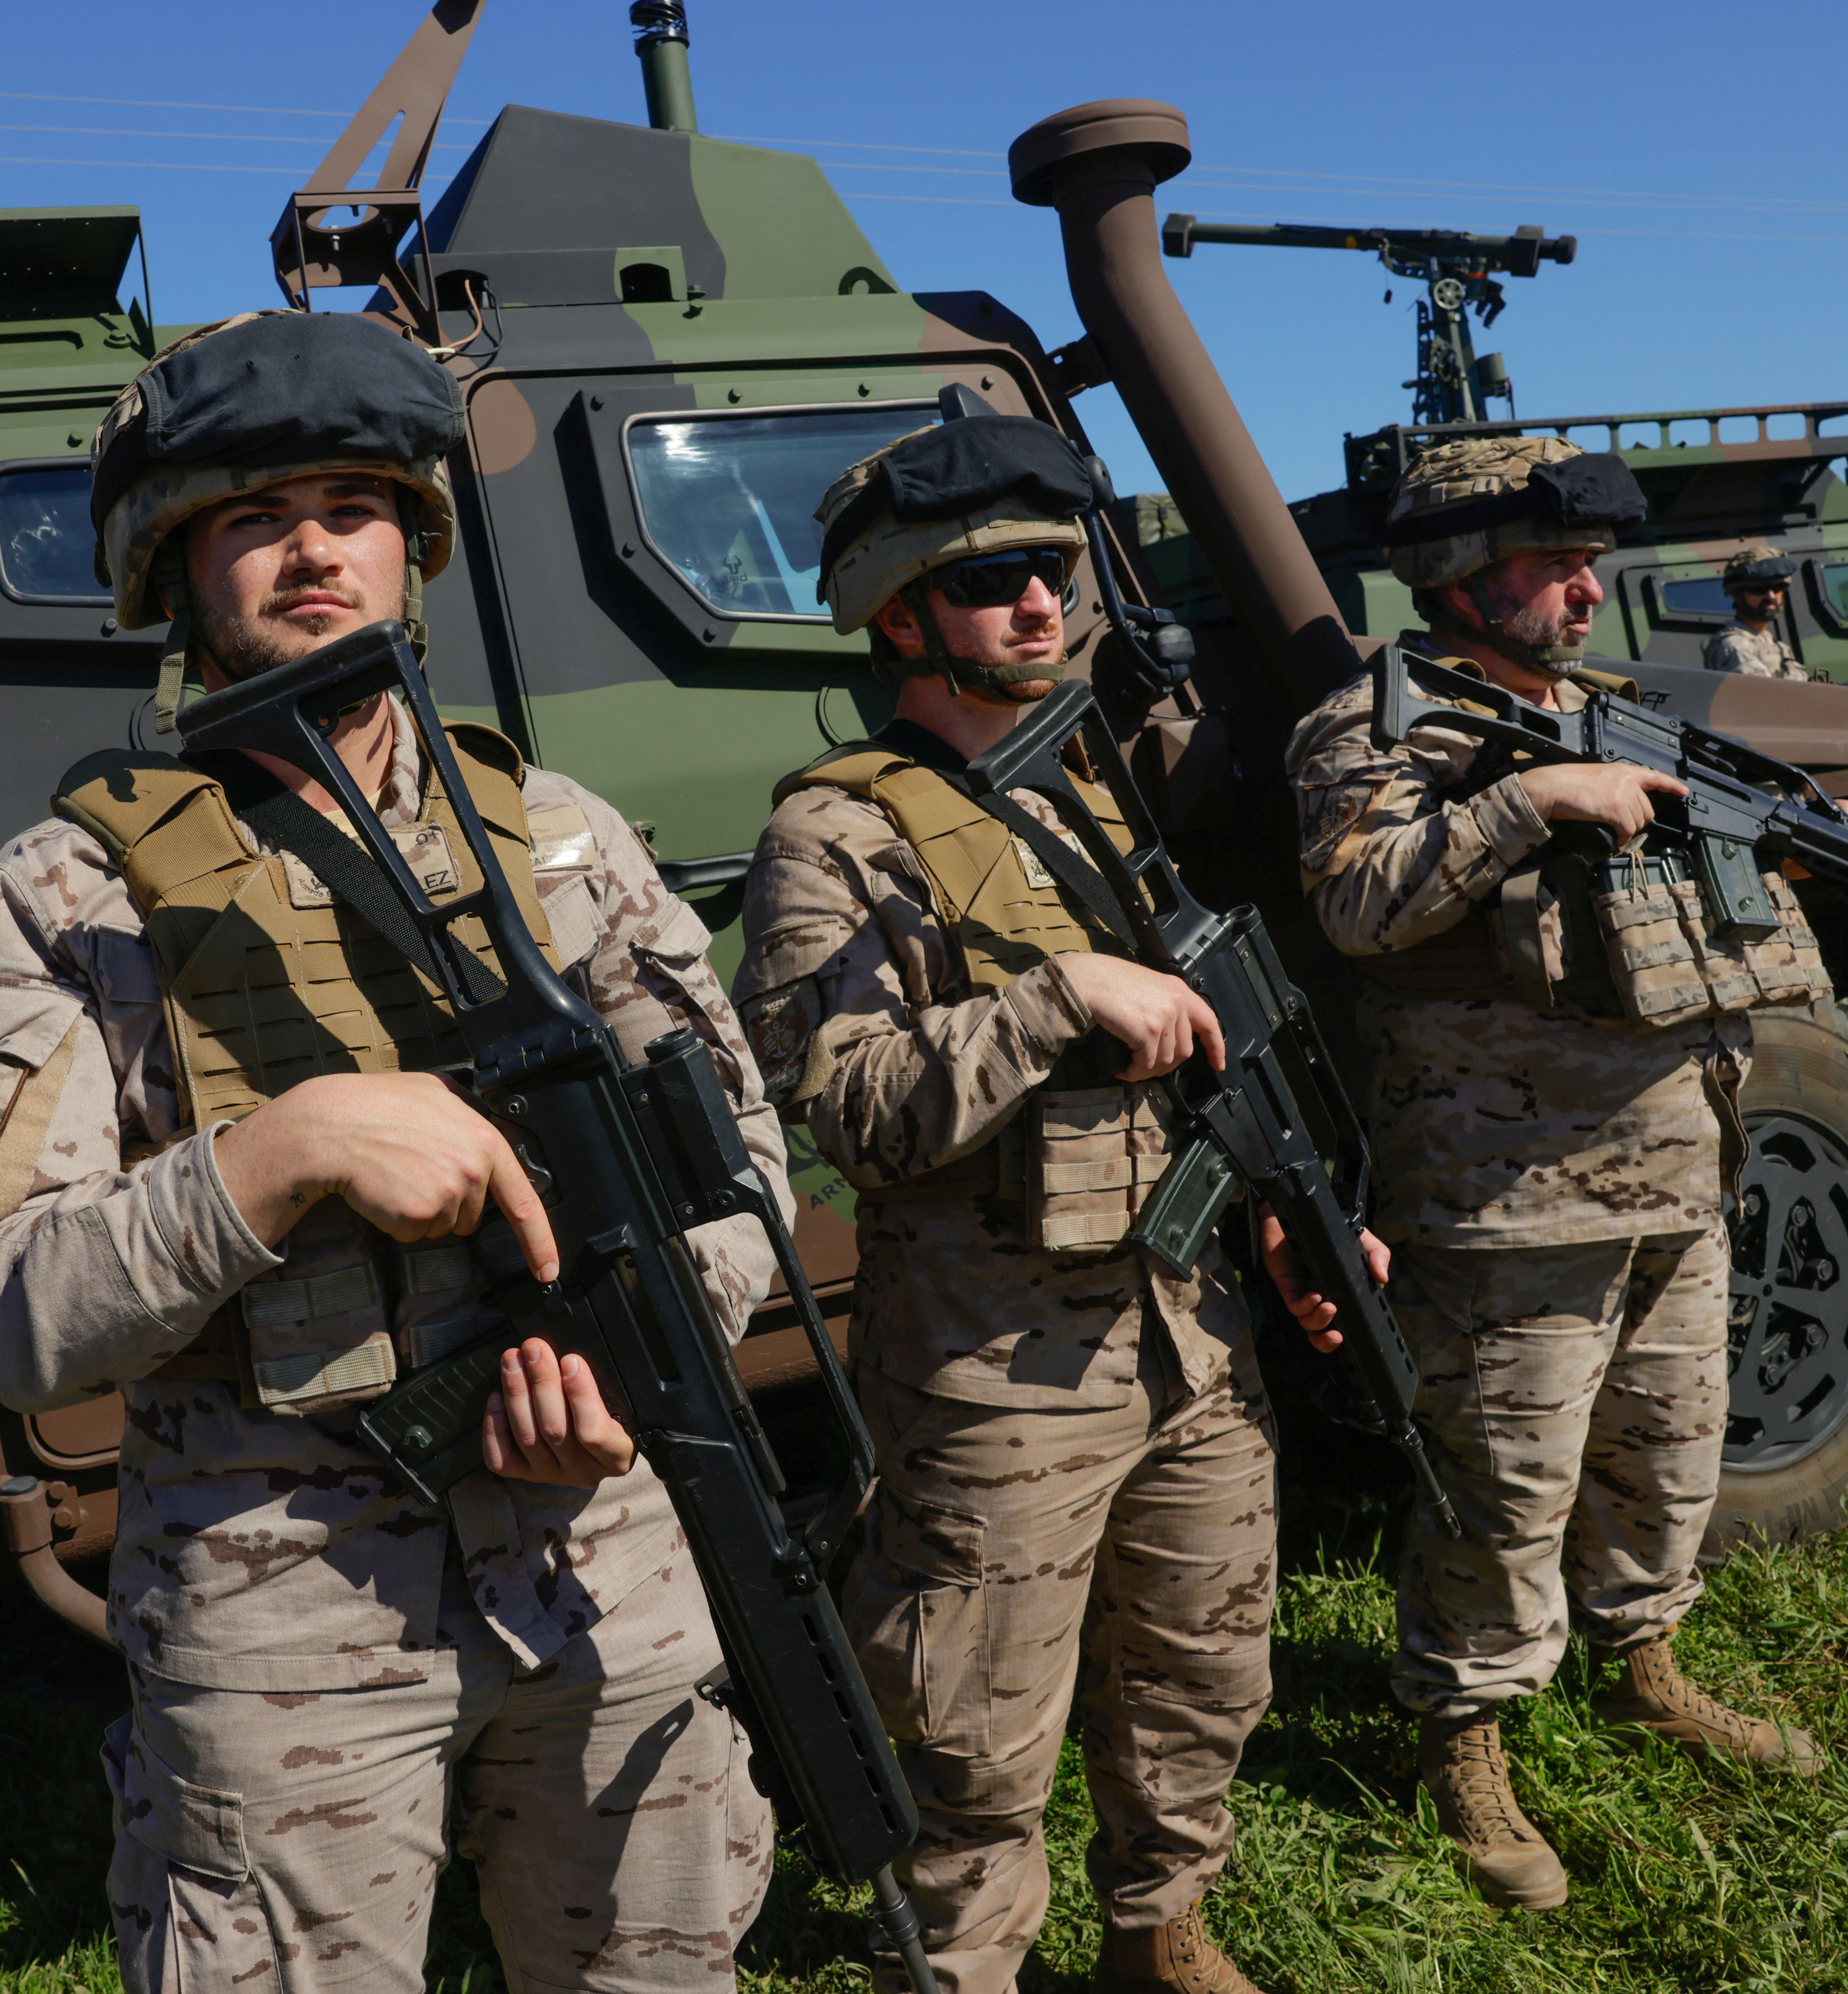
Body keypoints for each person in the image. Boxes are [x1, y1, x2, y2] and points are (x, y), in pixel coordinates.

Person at [0, 310, 785, 1994]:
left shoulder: (566, 847)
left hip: (606, 1558)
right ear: (169, 567)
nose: (309, 546)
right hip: (281, 1604)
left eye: (349, 506)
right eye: (249, 515)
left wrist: (629, 1359)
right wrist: (273, 1156)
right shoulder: (70, 892)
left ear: (412, 543)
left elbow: (744, 1175)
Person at [734, 414, 1371, 1994]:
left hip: (1191, 1338)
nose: (1043, 602)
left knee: (1204, 1669)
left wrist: (1288, 1208)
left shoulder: (1092, 786)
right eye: (995, 580)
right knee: (973, 1737)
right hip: (994, 1371)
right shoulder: (840, 827)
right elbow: (848, 1105)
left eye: (1055, 569)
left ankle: (1161, 1928)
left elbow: (1204, 1060)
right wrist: (1054, 1001)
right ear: (899, 619)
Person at [1286, 435, 1831, 1913]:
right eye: (1552, 564)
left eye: (1588, 562)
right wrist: (1533, 803)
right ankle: (1464, 1732)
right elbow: (1353, 901)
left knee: (1669, 1445)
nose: (1588, 589)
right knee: (1501, 1479)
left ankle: (1644, 1655)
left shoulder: (1602, 712)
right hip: (1503, 1181)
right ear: (1462, 578)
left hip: (1673, 1153)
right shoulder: (1380, 721)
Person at [1699, 546, 1807, 679]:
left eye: (1778, 587)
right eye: (1759, 589)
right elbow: (1764, 696)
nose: (1771, 596)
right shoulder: (1735, 645)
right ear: (1737, 594)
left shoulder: (1773, 644)